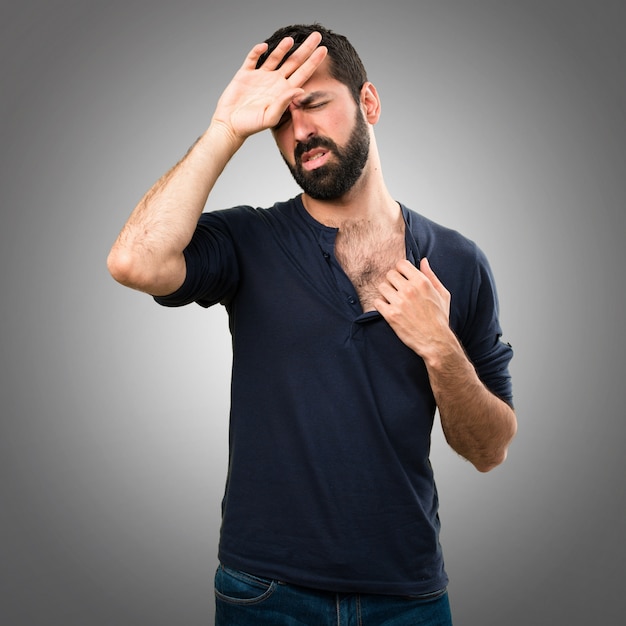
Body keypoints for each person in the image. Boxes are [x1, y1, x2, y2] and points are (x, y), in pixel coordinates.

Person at [107, 23, 516, 626]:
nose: (298, 131)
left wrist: (441, 349)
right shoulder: (249, 241)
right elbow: (133, 260)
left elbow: (489, 450)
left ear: (368, 102)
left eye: (315, 103)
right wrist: (226, 127)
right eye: (279, 118)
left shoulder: (458, 261)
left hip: (408, 597)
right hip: (265, 592)